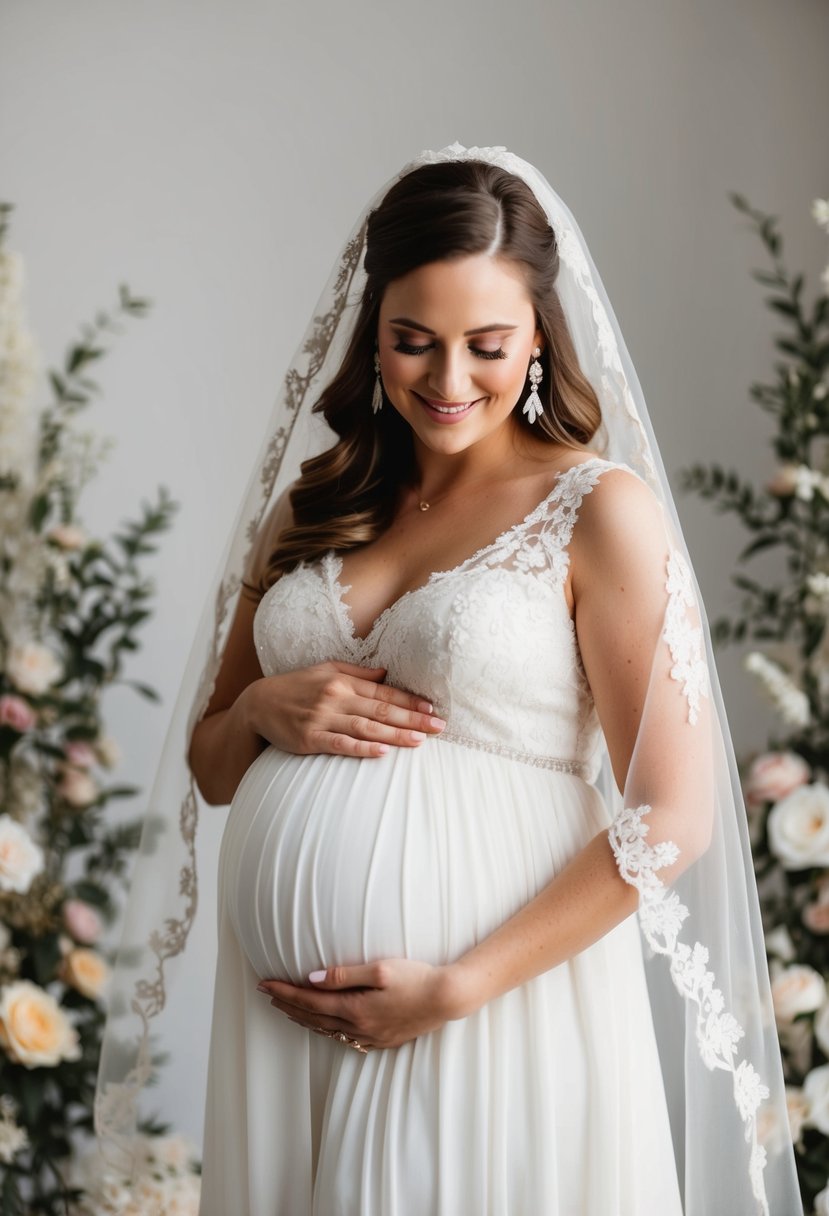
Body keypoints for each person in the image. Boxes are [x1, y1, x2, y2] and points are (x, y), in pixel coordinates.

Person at [94, 145, 802, 1216]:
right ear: (370, 334)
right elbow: (212, 765)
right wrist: (255, 707)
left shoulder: (596, 510)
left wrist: (455, 987)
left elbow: (673, 814)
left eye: (487, 344)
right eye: (413, 342)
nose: (448, 378)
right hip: (287, 1034)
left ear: (538, 340)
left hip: (491, 1008)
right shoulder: (311, 509)